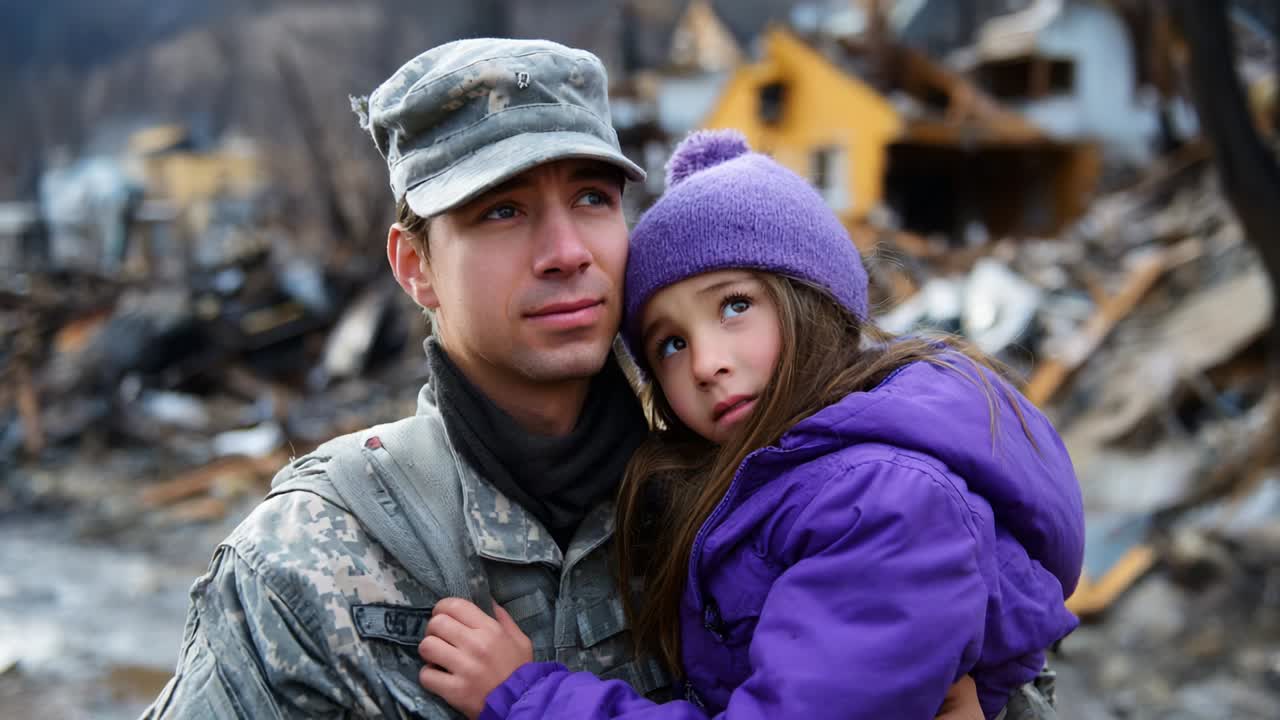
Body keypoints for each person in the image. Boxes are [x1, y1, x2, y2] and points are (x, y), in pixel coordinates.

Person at [137, 37, 985, 719]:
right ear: (415, 267)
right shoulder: (311, 561)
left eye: (591, 198)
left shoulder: (767, 498)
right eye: (500, 210)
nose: (567, 254)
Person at [415, 131, 1085, 720]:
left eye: (735, 305)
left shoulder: (885, 504)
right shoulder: (775, 475)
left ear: (813, 299)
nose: (706, 364)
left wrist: (525, 698)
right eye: (669, 345)